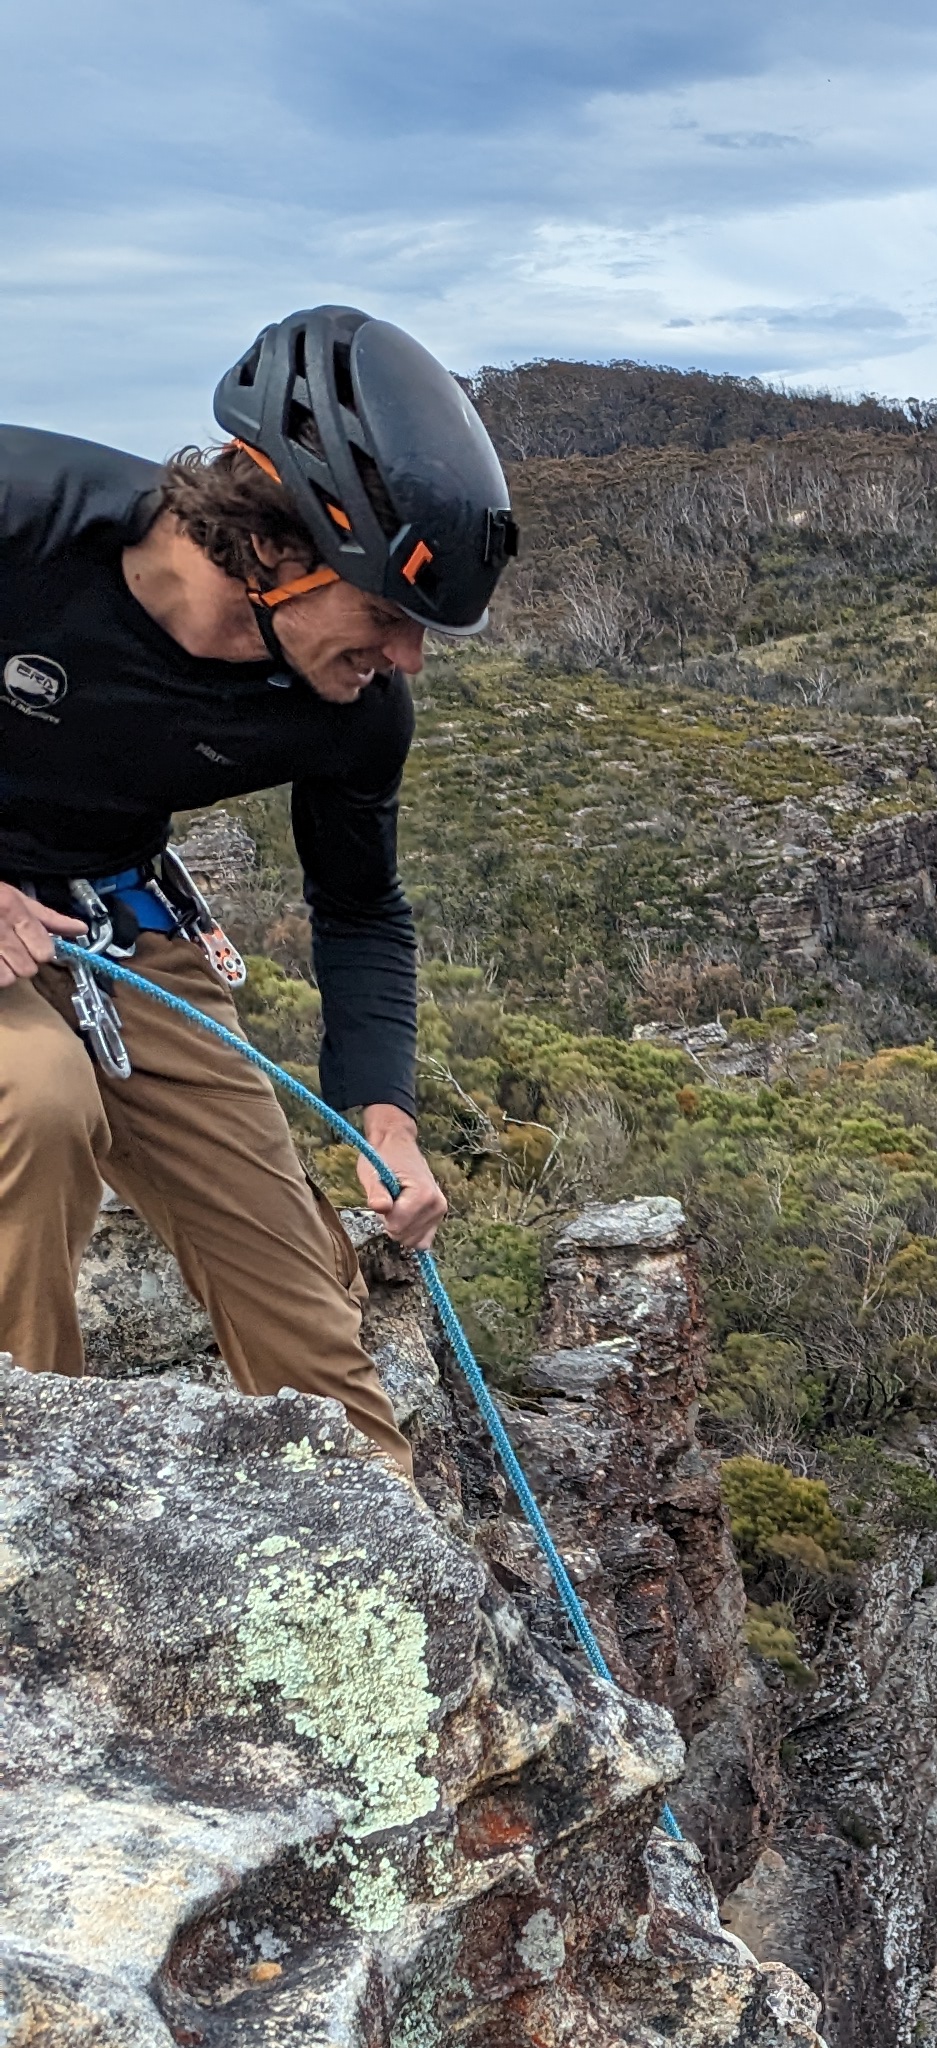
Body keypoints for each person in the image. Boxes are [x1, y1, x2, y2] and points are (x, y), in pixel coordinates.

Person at [0, 308, 519, 1478]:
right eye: (391, 614)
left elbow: (361, 911)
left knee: (299, 1296)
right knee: (32, 1100)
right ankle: (27, 1505)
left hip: (113, 924)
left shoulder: (351, 710)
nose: (409, 659)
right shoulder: (26, 520)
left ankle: (398, 1586)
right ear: (281, 548)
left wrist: (384, 1113)